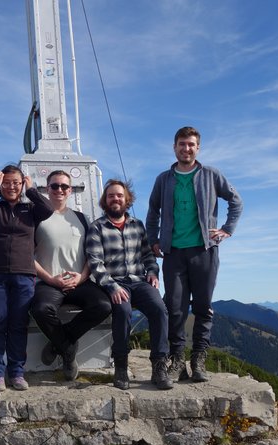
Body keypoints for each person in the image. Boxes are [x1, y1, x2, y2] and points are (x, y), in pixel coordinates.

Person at [146, 126, 243, 382]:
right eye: (181, 144)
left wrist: (226, 230)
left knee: (203, 306)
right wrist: (153, 240)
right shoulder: (163, 179)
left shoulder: (211, 175)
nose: (186, 148)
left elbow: (236, 201)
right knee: (174, 307)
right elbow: (153, 211)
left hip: (204, 251)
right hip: (174, 253)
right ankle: (178, 360)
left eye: (191, 144)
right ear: (174, 147)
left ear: (197, 148)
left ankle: (199, 359)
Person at [85, 179, 172, 390]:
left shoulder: (137, 225)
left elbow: (148, 254)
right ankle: (121, 366)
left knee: (159, 309)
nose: (116, 199)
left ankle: (159, 365)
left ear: (127, 200)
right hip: (113, 282)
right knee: (123, 311)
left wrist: (152, 272)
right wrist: (112, 287)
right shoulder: (97, 227)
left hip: (138, 281)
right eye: (111, 196)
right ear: (105, 201)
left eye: (120, 195)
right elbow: (95, 262)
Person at [30, 170, 111, 380]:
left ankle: (60, 341)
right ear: (46, 189)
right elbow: (27, 256)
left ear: (70, 190)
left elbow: (92, 254)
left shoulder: (82, 219)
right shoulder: (35, 218)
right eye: (54, 186)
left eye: (64, 186)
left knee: (103, 305)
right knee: (40, 309)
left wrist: (82, 277)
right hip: (49, 282)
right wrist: (50, 279)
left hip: (80, 281)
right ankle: (67, 350)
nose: (59, 190)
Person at [0, 165, 54, 392]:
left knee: (18, 325)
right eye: (6, 182)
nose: (11, 187)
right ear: (0, 185)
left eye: (16, 183)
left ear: (22, 184)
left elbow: (48, 209)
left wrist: (31, 190)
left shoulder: (30, 209)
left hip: (24, 274)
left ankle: (17, 372)